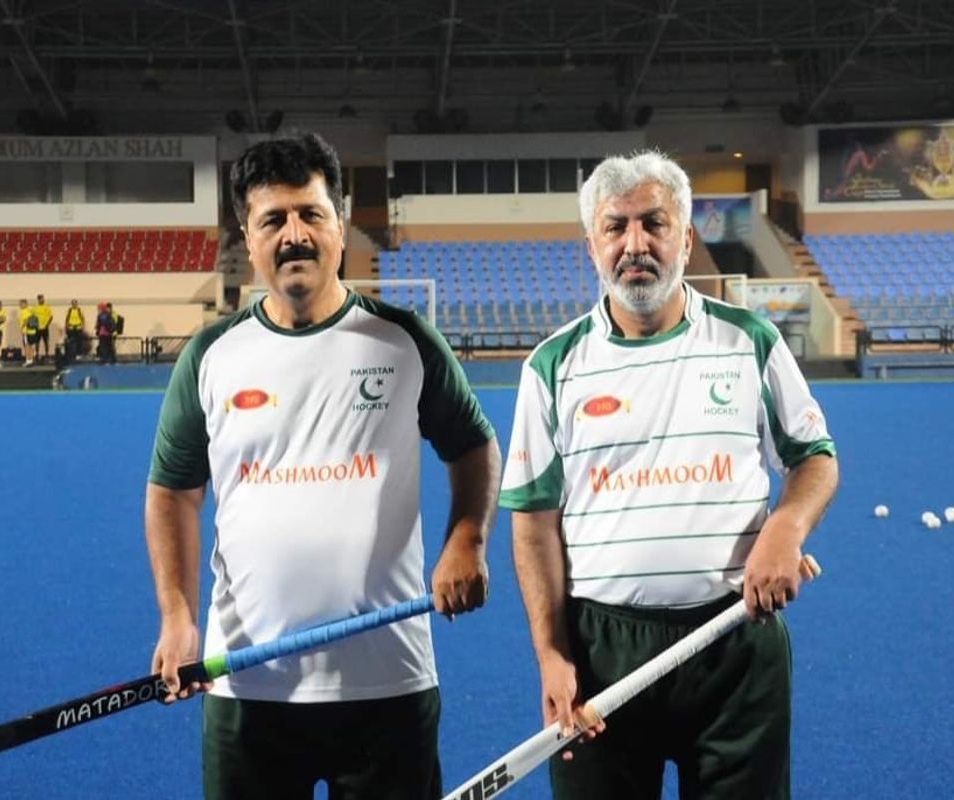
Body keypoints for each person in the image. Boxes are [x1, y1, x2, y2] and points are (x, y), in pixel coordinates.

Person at [146, 131, 501, 800]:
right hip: (247, 685)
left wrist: (467, 539)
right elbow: (173, 493)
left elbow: (474, 445)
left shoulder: (402, 341)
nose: (295, 235)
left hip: (388, 681)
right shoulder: (211, 355)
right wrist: (176, 616)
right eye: (273, 219)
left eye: (311, 213)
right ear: (246, 238)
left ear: (340, 223)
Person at [500, 149, 839, 799]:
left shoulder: (749, 340)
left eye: (654, 224)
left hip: (736, 642)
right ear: (590, 246)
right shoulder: (552, 365)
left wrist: (786, 528)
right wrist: (551, 653)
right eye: (615, 227)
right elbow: (534, 523)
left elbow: (815, 458)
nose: (636, 244)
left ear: (686, 237)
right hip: (603, 655)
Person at [33, 293, 53, 361]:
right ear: (38, 300)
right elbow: (33, 317)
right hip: (37, 328)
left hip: (45, 328)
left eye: (43, 299)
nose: (42, 300)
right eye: (40, 299)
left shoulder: (47, 307)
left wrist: (47, 324)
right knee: (37, 342)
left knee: (46, 341)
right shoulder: (35, 307)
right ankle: (37, 355)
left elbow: (51, 317)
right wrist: (35, 325)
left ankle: (47, 354)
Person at [17, 298, 37, 367]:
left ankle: (28, 360)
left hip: (27, 332)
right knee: (31, 345)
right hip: (32, 331)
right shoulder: (30, 311)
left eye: (21, 304)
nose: (20, 305)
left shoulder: (24, 312)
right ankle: (30, 360)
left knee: (27, 346)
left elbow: (24, 322)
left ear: (25, 304)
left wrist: (22, 328)